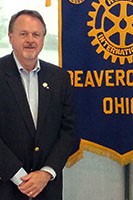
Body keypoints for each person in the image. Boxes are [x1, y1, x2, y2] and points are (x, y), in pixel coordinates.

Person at [0, 10, 77, 199]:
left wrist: (46, 173)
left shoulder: (59, 78)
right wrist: (19, 176)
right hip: (6, 187)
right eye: (23, 34)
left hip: (47, 188)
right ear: (11, 37)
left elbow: (70, 132)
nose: (30, 40)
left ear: (43, 39)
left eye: (36, 34)